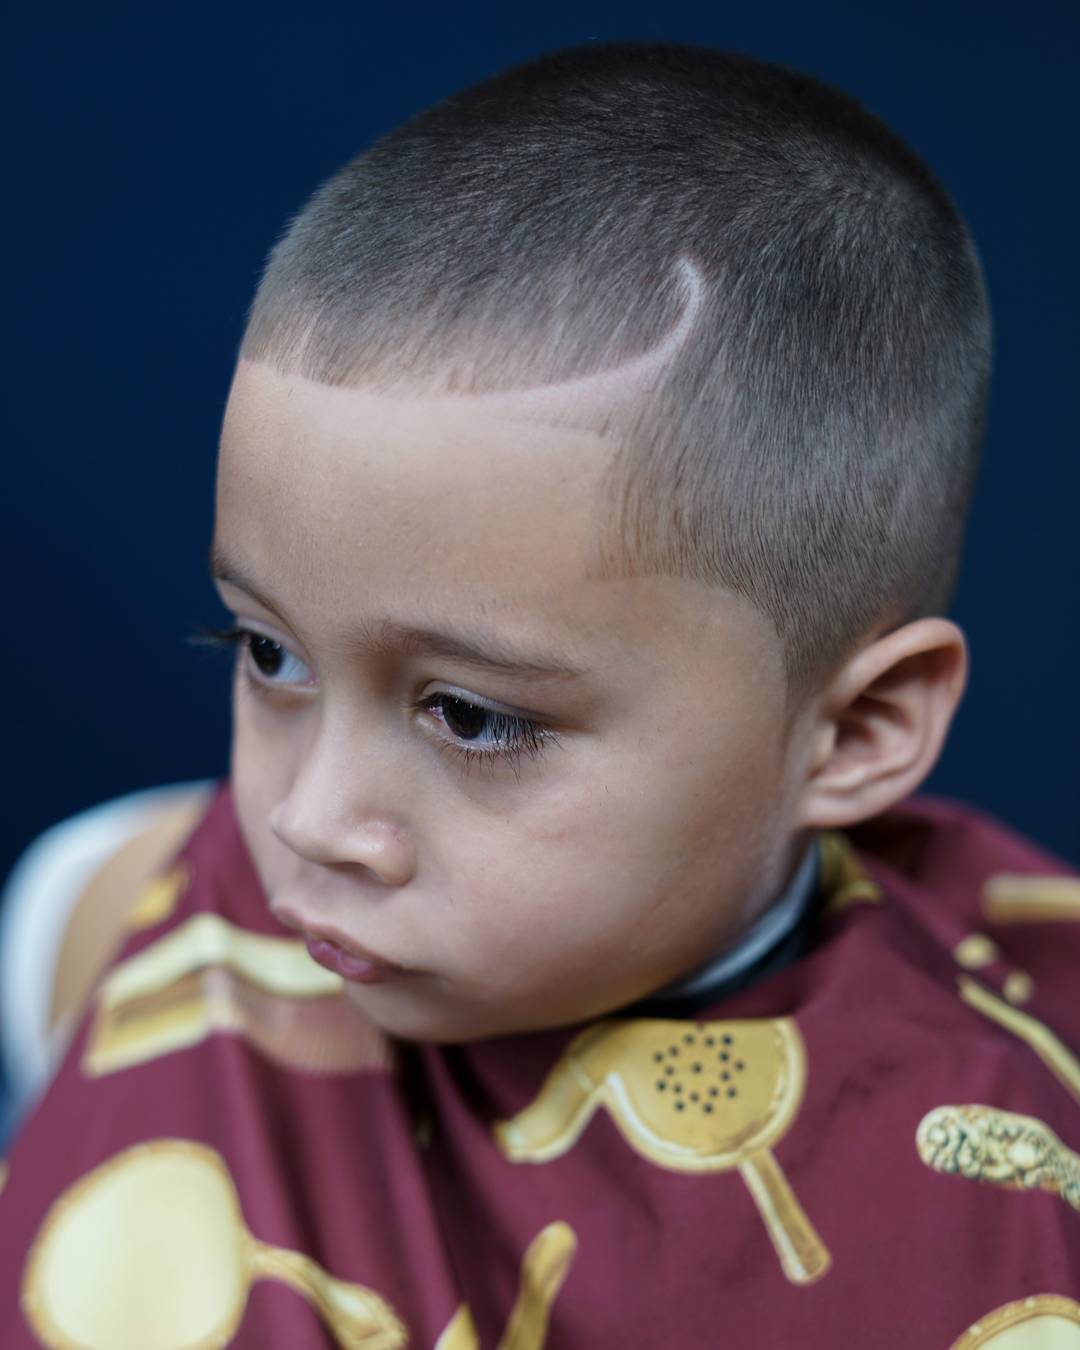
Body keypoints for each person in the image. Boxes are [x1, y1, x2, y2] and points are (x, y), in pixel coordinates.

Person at [1, 39, 1078, 1348]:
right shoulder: (150, 904)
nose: (307, 818)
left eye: (472, 715)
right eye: (268, 653)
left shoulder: (1001, 1215)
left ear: (855, 729)